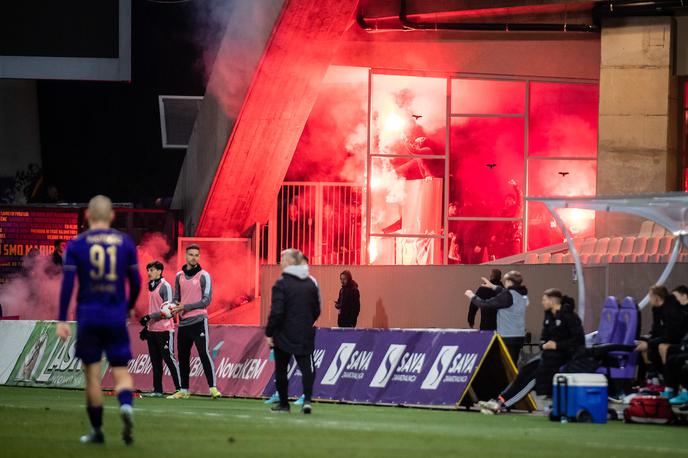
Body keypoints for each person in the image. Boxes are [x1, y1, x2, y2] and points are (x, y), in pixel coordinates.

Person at [56, 195, 141, 444]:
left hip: (89, 316)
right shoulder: (125, 242)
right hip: (115, 315)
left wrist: (61, 319)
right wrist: (130, 305)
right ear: (112, 216)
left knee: (92, 376)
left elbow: (68, 285)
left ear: (87, 216)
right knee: (121, 371)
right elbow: (135, 282)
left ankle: (97, 430)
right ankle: (126, 406)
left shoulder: (76, 245)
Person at [479, 289, 584, 414]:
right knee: (525, 370)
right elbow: (543, 337)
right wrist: (544, 344)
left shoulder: (570, 317)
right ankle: (500, 399)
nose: (542, 302)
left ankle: (501, 404)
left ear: (552, 300)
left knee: (533, 377)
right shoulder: (549, 316)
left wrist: (557, 345)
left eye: (544, 299)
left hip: (566, 356)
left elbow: (579, 341)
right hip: (549, 355)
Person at [265, 249, 321, 414]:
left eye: (282, 259)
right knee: (306, 368)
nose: (280, 262)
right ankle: (307, 400)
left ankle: (284, 404)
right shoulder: (311, 283)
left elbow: (277, 311)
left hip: (284, 334)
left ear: (289, 263)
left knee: (282, 369)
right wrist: (306, 323)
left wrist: (269, 332)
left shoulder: (281, 283)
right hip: (304, 332)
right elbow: (317, 309)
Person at [167, 244, 221, 399]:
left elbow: (207, 300)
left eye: (196, 255)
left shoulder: (204, 275)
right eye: (191, 254)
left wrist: (186, 306)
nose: (194, 257)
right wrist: (171, 308)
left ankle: (213, 389)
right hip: (183, 323)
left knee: (204, 353)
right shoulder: (179, 276)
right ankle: (184, 390)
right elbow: (177, 298)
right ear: (186, 256)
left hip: (199, 321)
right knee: (183, 357)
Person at [465, 270, 527, 365]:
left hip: (505, 334)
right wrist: (493, 287)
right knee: (512, 363)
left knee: (501, 363)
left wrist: (472, 296)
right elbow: (506, 292)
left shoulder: (505, 295)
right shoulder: (521, 294)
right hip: (517, 334)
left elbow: (484, 304)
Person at [139, 261, 181, 397]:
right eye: (148, 270)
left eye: (151, 270)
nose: (149, 273)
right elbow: (154, 307)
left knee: (169, 359)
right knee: (155, 362)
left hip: (165, 330)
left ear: (159, 271)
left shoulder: (165, 286)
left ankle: (180, 389)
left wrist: (149, 316)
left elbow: (169, 311)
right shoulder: (150, 286)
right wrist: (147, 326)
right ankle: (157, 390)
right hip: (152, 330)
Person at [635, 285, 685, 386]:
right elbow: (656, 329)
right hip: (665, 337)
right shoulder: (656, 309)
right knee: (641, 341)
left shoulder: (671, 309)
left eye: (650, 297)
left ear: (656, 298)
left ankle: (666, 381)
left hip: (675, 339)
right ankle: (649, 377)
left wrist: (649, 343)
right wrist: (649, 340)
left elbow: (672, 335)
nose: (649, 300)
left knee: (658, 346)